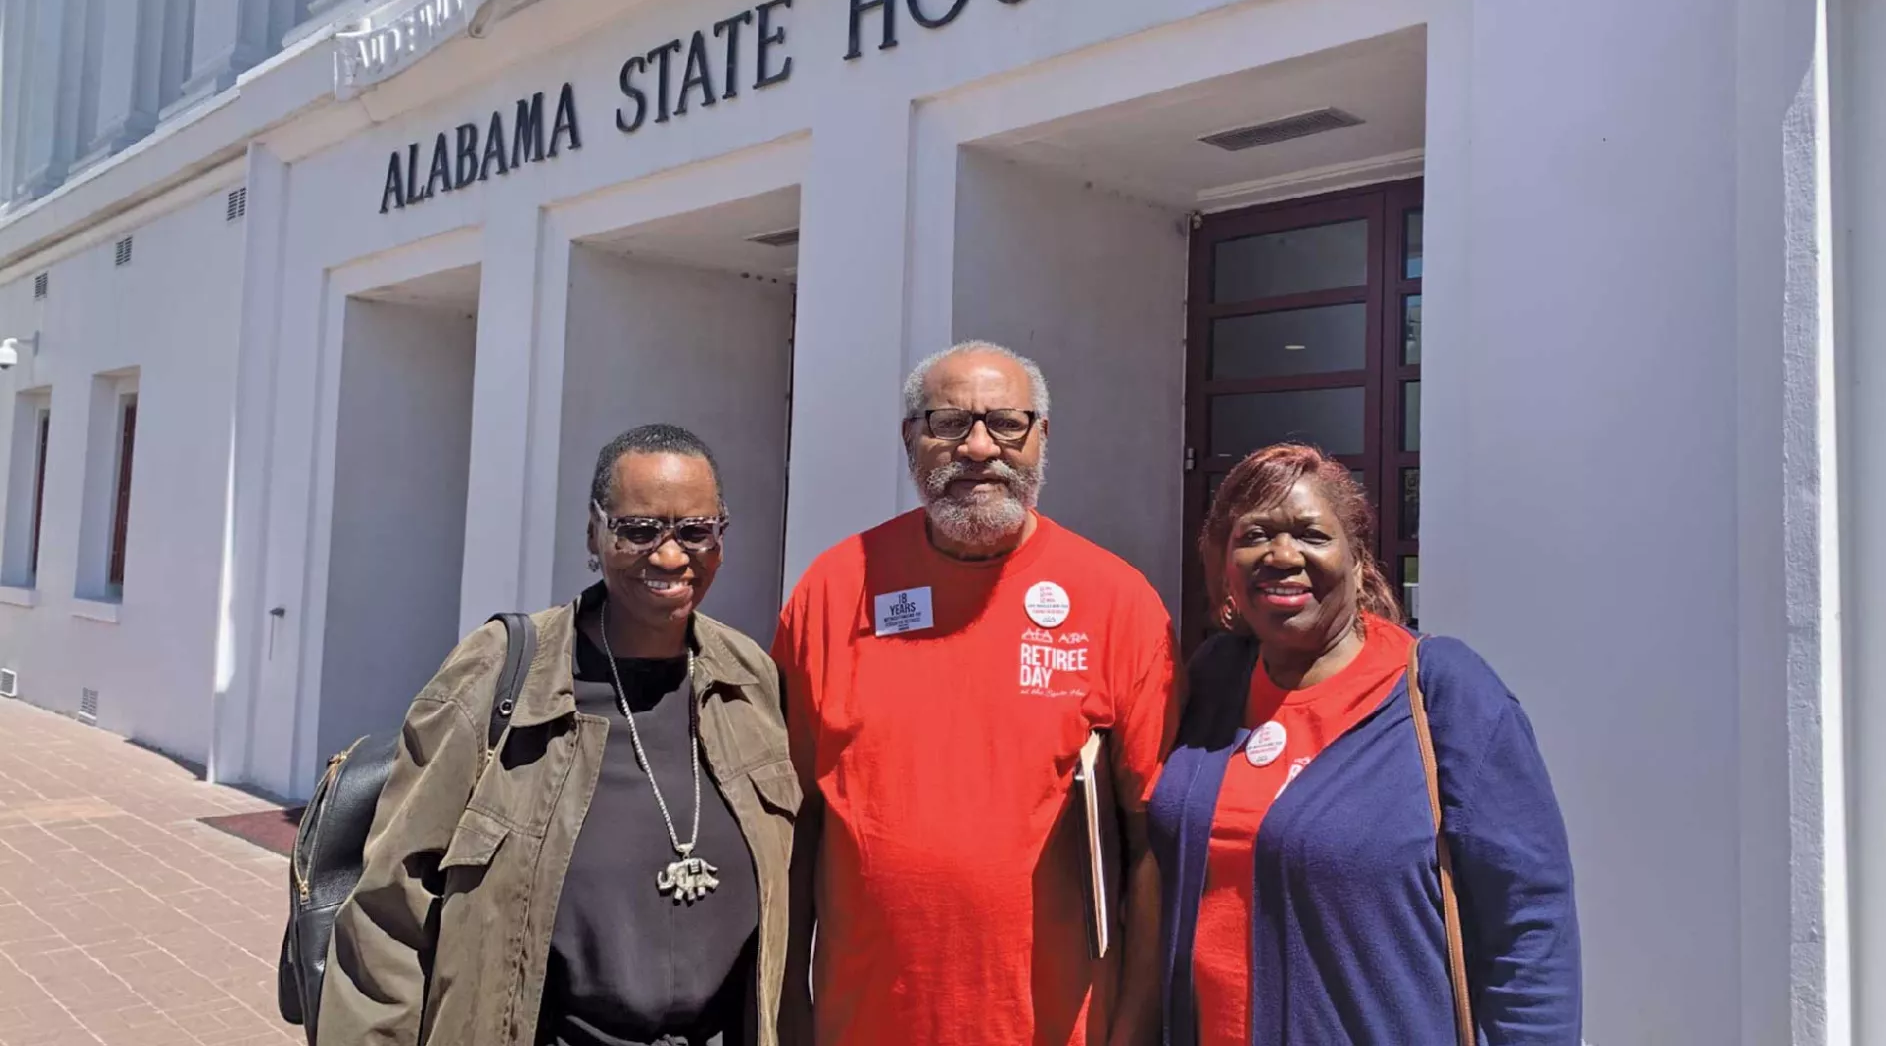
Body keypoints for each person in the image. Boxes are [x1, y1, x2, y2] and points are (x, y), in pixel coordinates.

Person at [318, 424, 799, 1046]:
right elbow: (389, 912)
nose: (671, 556)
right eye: (638, 530)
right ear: (592, 536)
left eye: (695, 531)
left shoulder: (749, 678)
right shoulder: (501, 674)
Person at [775, 341, 1179, 1046]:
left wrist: (1136, 1028)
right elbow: (792, 824)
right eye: (949, 424)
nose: (979, 447)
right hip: (863, 1022)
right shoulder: (834, 589)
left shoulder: (1118, 602)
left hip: (1057, 1027)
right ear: (911, 439)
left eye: (1006, 423)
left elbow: (1154, 842)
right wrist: (785, 1011)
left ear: (1040, 437)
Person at [1148, 443, 1580, 1045]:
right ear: (1225, 564)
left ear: (1356, 558)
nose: (1281, 555)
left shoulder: (1440, 691)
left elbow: (1530, 921)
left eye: (1311, 534)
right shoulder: (1215, 679)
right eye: (1255, 535)